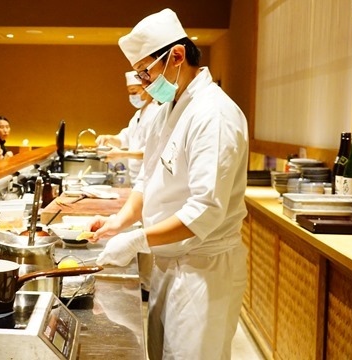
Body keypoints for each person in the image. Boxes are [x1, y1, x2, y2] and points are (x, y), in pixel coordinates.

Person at [88, 9, 249, 360]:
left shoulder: (214, 114)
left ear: (176, 56)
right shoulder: (167, 107)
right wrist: (122, 222)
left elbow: (204, 210)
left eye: (146, 72)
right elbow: (149, 176)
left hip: (203, 269)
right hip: (168, 259)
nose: (145, 84)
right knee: (162, 352)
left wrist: (137, 240)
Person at [95, 71, 162, 184]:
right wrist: (108, 138)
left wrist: (121, 154)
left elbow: (152, 151)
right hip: (135, 179)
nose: (132, 96)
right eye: (130, 93)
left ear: (146, 88)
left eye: (134, 92)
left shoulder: (156, 113)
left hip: (148, 179)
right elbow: (125, 138)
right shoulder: (139, 114)